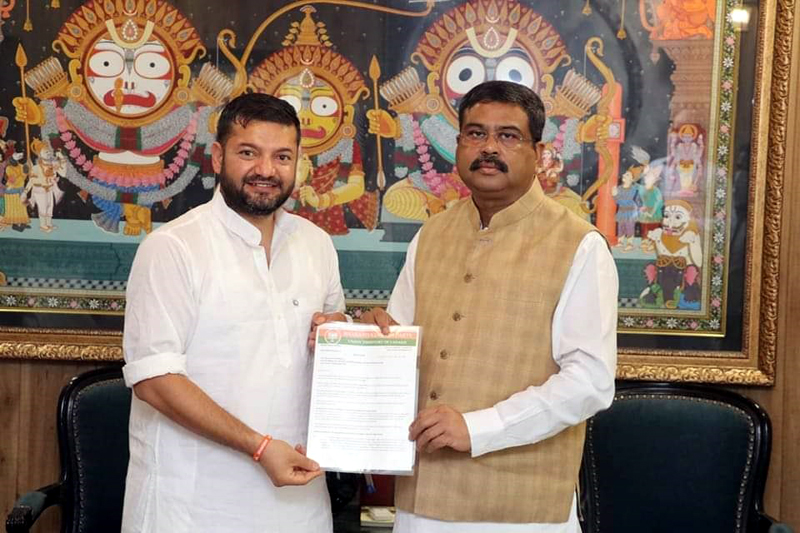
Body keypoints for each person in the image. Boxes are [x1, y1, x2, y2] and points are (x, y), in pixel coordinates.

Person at [363, 81, 618, 533]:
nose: (489, 148)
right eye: (475, 134)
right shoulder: (430, 235)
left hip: (519, 511)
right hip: (421, 503)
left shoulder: (578, 245)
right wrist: (365, 337)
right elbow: (400, 351)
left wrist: (479, 428)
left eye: (508, 136)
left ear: (538, 153)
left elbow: (590, 382)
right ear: (458, 144)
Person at [121, 93, 347, 533]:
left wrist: (342, 339)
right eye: (249, 153)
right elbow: (155, 381)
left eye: (282, 156)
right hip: (192, 507)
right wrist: (259, 447)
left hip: (298, 504)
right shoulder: (173, 247)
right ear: (219, 156)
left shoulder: (317, 244)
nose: (266, 170)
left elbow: (331, 349)